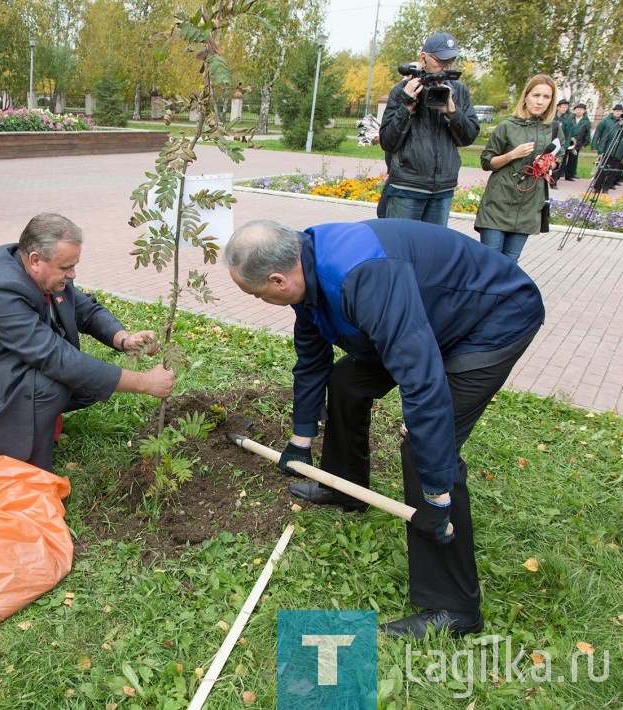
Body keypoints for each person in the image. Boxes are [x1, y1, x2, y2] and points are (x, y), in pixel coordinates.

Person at [224, 218, 544, 639]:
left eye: (255, 293)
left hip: (488, 320)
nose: (259, 299)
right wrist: (300, 440)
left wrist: (436, 493)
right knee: (345, 382)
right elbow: (312, 360)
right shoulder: (306, 261)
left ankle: (455, 608)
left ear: (279, 279)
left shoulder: (363, 276)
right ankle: (342, 485)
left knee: (424, 446)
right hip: (424, 316)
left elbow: (422, 379)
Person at [0, 213, 175, 472]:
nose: (72, 274)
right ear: (35, 260)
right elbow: (57, 358)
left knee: (84, 384)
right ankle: (32, 469)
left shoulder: (38, 270)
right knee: (51, 385)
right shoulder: (0, 291)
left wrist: (123, 339)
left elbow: (83, 309)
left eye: (74, 265)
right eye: (66, 268)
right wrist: (145, 383)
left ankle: (34, 424)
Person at [378, 33, 479, 225]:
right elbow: (387, 141)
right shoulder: (402, 90)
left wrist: (452, 112)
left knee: (433, 252)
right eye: (441, 61)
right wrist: (406, 106)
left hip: (442, 190)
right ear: (424, 57)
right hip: (406, 187)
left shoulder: (459, 91)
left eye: (451, 61)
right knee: (399, 248)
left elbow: (469, 137)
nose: (446, 67)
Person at [474, 74, 561, 263]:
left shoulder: (553, 129)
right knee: (490, 261)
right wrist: (512, 155)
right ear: (526, 96)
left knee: (511, 263)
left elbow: (558, 160)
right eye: (536, 95)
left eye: (546, 97)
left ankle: (505, 294)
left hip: (528, 205)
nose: (540, 102)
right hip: (499, 202)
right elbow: (486, 162)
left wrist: (548, 163)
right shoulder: (507, 126)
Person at [561, 103, 591, 182]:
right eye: (577, 109)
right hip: (567, 141)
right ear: (574, 110)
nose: (579, 111)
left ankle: (570, 175)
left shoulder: (586, 121)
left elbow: (587, 133)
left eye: (581, 110)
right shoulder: (570, 118)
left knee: (573, 159)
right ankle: (560, 173)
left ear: (584, 111)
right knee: (562, 158)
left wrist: (585, 143)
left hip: (577, 143)